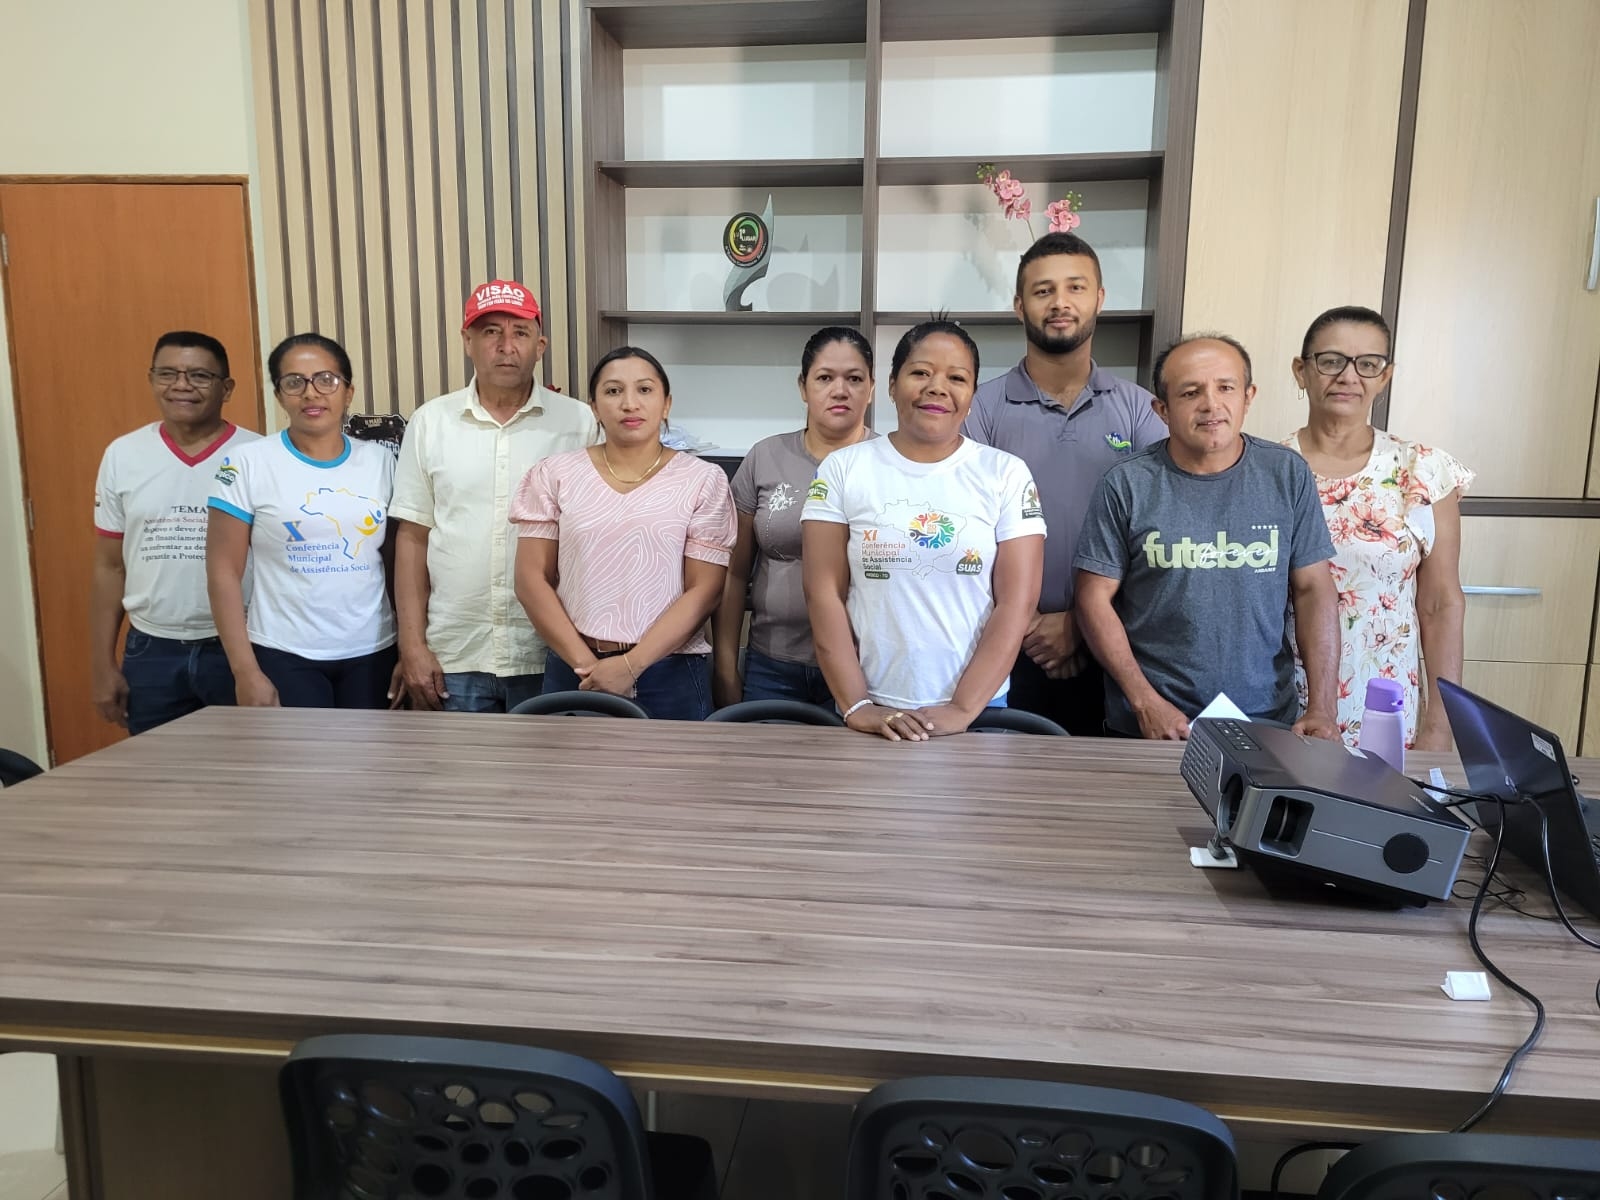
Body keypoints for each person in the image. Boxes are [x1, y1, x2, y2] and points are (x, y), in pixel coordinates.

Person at [1074, 333, 1340, 740]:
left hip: (1266, 719)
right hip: (1154, 725)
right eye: (1190, 392)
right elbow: (1093, 598)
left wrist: (1322, 707)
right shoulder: (1126, 484)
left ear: (1248, 397)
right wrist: (1144, 702)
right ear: (1162, 410)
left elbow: (1314, 590)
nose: (1211, 404)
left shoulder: (1287, 474)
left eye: (1226, 388)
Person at [801, 320, 1045, 741]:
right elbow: (823, 593)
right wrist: (858, 706)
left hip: (980, 711)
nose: (937, 388)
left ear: (972, 396)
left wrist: (962, 709)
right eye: (920, 372)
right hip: (872, 708)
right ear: (891, 385)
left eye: (957, 378)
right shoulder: (843, 469)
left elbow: (1016, 603)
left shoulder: (1005, 473)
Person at [964, 233, 1166, 735]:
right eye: (1043, 290)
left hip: (1116, 648)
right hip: (1000, 643)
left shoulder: (1140, 410)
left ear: (1100, 298)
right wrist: (1027, 620)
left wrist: (1079, 620)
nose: (1060, 302)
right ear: (1019, 306)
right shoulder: (980, 409)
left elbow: (1161, 528)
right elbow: (964, 527)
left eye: (1075, 287)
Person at [390, 279, 598, 713]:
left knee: (552, 759)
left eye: (520, 332)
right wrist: (411, 645)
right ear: (467, 341)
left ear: (540, 346)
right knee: (461, 762)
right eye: (490, 332)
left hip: (551, 652)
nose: (506, 346)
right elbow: (412, 538)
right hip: (455, 653)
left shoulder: (578, 424)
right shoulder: (431, 423)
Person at [510, 347, 735, 720]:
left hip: (670, 671)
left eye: (645, 390)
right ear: (595, 408)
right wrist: (589, 667)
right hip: (575, 666)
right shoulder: (554, 474)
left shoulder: (703, 480)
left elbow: (705, 589)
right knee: (568, 762)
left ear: (666, 404)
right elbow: (530, 579)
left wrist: (632, 665)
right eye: (613, 391)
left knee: (673, 762)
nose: (630, 403)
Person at [1284, 305, 1472, 750]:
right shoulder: (1268, 468)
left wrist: (1439, 726)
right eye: (1331, 361)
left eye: (1368, 364)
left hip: (1385, 711)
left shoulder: (1421, 470)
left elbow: (1440, 604)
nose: (1348, 376)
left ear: (1384, 377)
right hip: (1280, 708)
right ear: (1301, 371)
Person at [206, 334, 398, 709]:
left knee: (370, 749)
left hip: (373, 651)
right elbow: (223, 572)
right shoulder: (247, 462)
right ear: (279, 395)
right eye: (294, 382)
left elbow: (396, 561)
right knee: (298, 750)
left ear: (349, 391)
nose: (311, 393)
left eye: (326, 380)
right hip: (283, 652)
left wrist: (409, 645)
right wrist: (245, 672)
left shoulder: (380, 462)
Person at [90, 331, 260, 733]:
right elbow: (109, 566)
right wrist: (101, 664)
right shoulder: (123, 455)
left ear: (227, 388)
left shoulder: (257, 455)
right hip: (152, 651)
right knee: (159, 770)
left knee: (250, 765)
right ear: (151, 379)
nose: (181, 385)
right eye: (168, 374)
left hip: (242, 647)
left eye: (199, 376)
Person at [712, 327, 877, 709]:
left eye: (854, 379)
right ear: (803, 387)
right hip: (772, 665)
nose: (840, 390)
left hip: (863, 668)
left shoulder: (889, 463)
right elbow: (734, 574)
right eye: (825, 378)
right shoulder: (765, 457)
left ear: (871, 388)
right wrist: (725, 667)